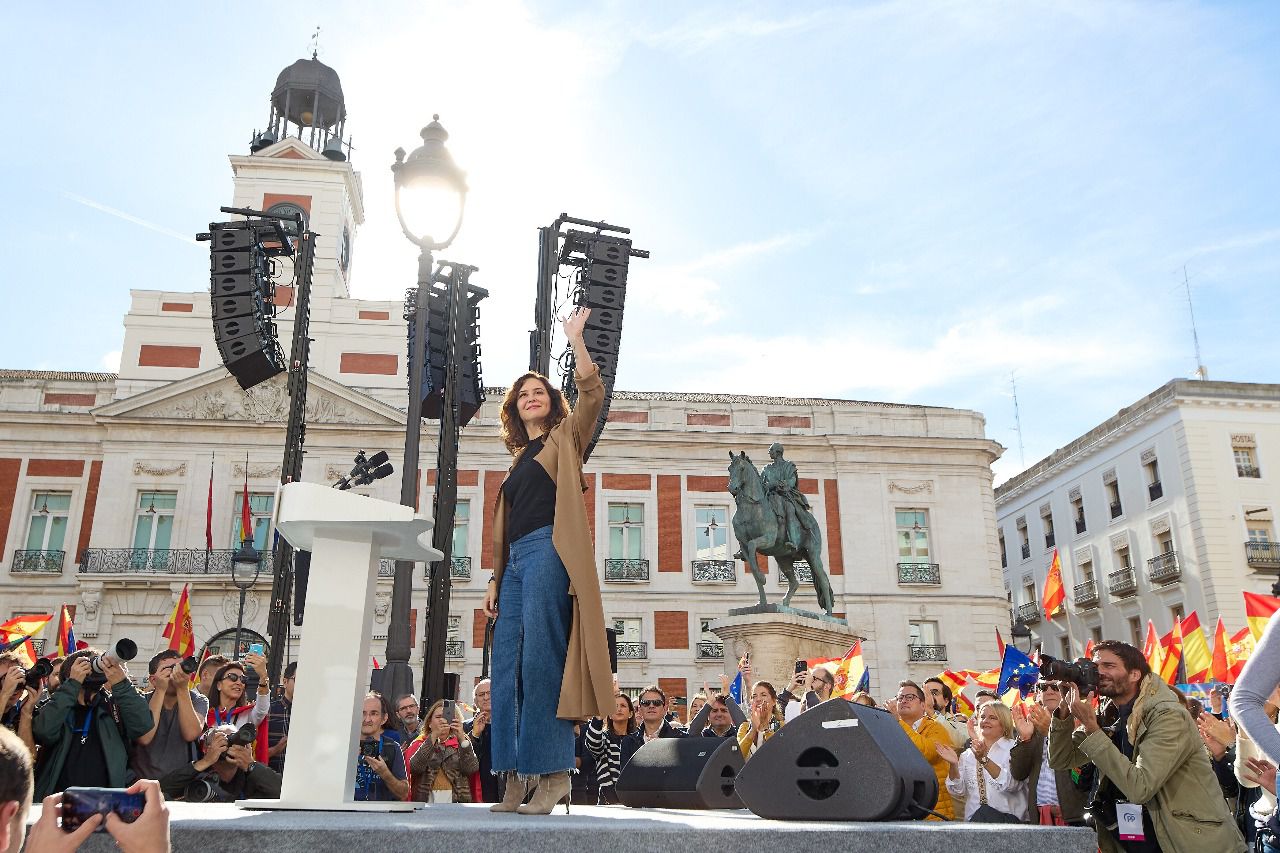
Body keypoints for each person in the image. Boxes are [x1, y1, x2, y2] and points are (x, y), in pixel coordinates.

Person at [482, 306, 613, 816]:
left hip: (549, 553)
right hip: (514, 564)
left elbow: (593, 396)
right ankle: (514, 777)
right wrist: (495, 577)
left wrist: (575, 340)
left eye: (538, 392)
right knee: (506, 668)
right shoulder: (517, 462)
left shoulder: (567, 439)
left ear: (551, 402)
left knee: (542, 663)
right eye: (522, 395)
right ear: (515, 409)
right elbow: (503, 527)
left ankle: (554, 774)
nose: (530, 398)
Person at [1048, 640, 1246, 852]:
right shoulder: (1111, 715)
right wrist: (1063, 712)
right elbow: (1061, 759)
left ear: (1135, 675)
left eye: (1109, 666)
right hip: (1138, 841)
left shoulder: (1167, 715)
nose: (1099, 673)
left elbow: (1140, 787)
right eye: (1096, 667)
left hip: (1190, 842)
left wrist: (1091, 728)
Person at [32, 648, 153, 798]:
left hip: (106, 805)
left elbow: (143, 726)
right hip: (57, 802)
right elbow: (44, 731)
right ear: (70, 673)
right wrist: (72, 684)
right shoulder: (57, 706)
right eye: (84, 664)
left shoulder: (114, 707)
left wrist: (121, 684)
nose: (93, 667)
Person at [1009, 682, 1086, 826]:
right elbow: (1018, 773)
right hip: (1040, 818)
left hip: (1074, 818)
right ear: (1038, 695)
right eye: (1043, 688)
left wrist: (1053, 732)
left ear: (1067, 693)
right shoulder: (1030, 729)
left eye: (1056, 688)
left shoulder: (1081, 724)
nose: (1049, 691)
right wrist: (1025, 739)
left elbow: (1083, 774)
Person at [937, 700, 1026, 821]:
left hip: (1007, 824)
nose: (985, 721)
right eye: (982, 717)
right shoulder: (968, 754)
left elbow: (1012, 785)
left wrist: (984, 759)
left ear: (1004, 723)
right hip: (974, 824)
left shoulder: (1013, 749)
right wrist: (953, 765)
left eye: (992, 718)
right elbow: (958, 791)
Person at [131, 650, 209, 781]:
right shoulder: (140, 701)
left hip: (182, 785)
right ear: (153, 679)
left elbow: (190, 733)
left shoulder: (198, 700)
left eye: (179, 667)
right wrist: (161, 689)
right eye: (169, 669)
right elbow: (144, 737)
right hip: (144, 783)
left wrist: (182, 688)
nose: (176, 672)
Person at [885, 680, 955, 820]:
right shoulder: (887, 731)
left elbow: (926, 753)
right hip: (899, 810)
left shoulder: (936, 729)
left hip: (933, 813)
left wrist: (898, 723)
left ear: (923, 705)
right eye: (900, 698)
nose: (903, 701)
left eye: (909, 697)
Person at [158, 724, 281, 802]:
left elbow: (281, 792)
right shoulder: (197, 773)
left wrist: (251, 765)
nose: (230, 745)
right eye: (222, 740)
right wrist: (205, 761)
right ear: (207, 748)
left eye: (235, 738)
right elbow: (161, 790)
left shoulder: (253, 775)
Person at [409, 700, 479, 803]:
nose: (443, 720)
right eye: (438, 717)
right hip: (426, 802)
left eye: (446, 717)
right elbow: (415, 768)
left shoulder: (462, 743)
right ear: (429, 723)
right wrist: (434, 735)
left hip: (456, 802)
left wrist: (461, 737)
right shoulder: (420, 743)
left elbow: (471, 769)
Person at [206, 657, 271, 765]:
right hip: (208, 772)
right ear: (219, 685)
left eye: (243, 679)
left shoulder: (248, 715)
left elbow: (262, 708)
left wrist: (263, 676)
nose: (239, 682)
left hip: (238, 774)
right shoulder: (205, 713)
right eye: (233, 677)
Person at [584, 693, 637, 805]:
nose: (618, 709)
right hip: (607, 802)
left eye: (623, 706)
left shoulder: (637, 740)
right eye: (614, 706)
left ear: (631, 713)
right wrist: (598, 718)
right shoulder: (604, 737)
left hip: (634, 801)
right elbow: (593, 743)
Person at [355, 692, 408, 802]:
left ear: (384, 718)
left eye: (374, 713)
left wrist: (385, 773)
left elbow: (403, 794)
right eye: (363, 713)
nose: (367, 719)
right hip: (346, 815)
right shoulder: (344, 747)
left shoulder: (392, 748)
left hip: (382, 817)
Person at [760, 442, 808, 551]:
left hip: (785, 496)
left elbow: (791, 482)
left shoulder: (789, 466)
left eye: (771, 450)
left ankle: (794, 541)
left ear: (778, 452)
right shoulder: (766, 468)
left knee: (790, 510)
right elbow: (760, 484)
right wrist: (767, 486)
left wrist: (777, 484)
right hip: (769, 496)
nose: (769, 452)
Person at [464, 679, 498, 802]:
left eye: (489, 693)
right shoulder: (465, 727)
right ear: (475, 701)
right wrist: (475, 734)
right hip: (477, 789)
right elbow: (464, 760)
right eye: (481, 695)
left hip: (504, 787)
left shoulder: (510, 724)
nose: (486, 697)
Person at [626, 686, 686, 754]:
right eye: (646, 703)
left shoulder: (681, 738)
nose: (651, 706)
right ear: (639, 710)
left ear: (665, 709)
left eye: (657, 703)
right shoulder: (628, 742)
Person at [737, 681, 783, 760]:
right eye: (754, 696)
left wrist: (766, 728)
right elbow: (737, 757)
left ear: (774, 701)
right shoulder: (745, 727)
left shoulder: (781, 726)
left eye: (763, 695)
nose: (758, 699)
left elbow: (780, 755)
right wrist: (753, 730)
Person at [0, 653, 34, 756]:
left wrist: (26, 712)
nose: (13, 684)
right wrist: (5, 694)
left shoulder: (20, 715)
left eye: (18, 678)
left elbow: (29, 758)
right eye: (6, 679)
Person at [923, 676, 969, 750]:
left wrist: (932, 713)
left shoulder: (959, 725)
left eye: (934, 693)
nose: (929, 698)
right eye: (926, 694)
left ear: (946, 701)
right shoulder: (915, 723)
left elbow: (963, 743)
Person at [266, 660, 295, 773]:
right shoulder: (269, 711)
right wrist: (275, 750)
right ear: (285, 682)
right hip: (271, 780)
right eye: (297, 679)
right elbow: (253, 755)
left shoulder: (312, 714)